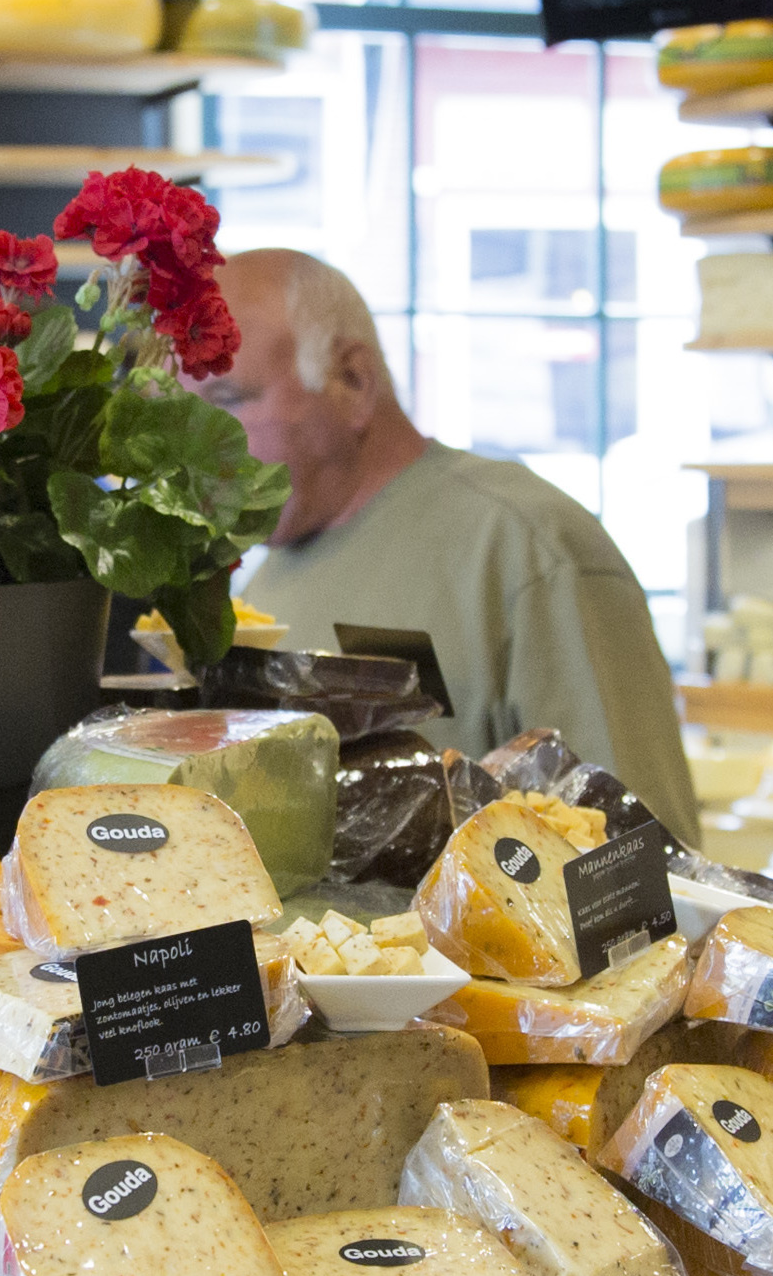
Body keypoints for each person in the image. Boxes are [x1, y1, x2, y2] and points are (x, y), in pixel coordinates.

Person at [209, 245, 702, 839]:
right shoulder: (266, 576)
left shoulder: (530, 546)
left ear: (353, 381)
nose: (200, 444)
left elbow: (646, 868)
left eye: (228, 401)